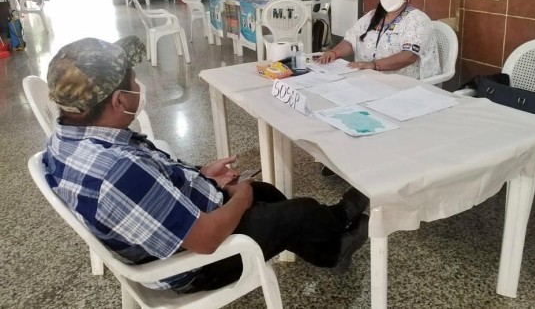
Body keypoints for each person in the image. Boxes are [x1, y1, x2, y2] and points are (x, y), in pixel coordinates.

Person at [43, 36, 369, 294]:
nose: (139, 85)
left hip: (168, 228)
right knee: (298, 211)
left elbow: (149, 182)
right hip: (194, 264)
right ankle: (337, 224)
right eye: (134, 80)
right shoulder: (118, 171)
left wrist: (200, 176)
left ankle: (330, 248)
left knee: (266, 192)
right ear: (118, 101)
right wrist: (240, 198)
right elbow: (207, 239)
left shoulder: (66, 139)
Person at [318, 0, 440, 79]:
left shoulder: (417, 20)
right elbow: (351, 40)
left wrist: (374, 65)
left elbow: (409, 56)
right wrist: (334, 53)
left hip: (406, 85)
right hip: (369, 80)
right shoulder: (372, 16)